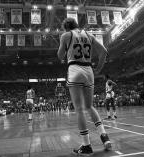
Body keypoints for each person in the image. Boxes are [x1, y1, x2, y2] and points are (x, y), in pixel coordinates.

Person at [57, 18, 111, 155]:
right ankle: (104, 137)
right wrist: (98, 68)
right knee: (89, 106)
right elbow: (104, 52)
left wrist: (63, 44)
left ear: (66, 27)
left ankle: (86, 145)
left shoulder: (66, 35)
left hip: (75, 69)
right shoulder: (89, 35)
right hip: (89, 70)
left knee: (79, 109)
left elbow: (60, 56)